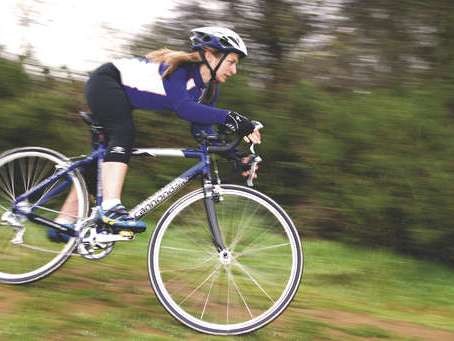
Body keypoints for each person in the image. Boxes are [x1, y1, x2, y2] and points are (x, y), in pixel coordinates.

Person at [47, 26, 261, 242]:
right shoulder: (180, 71)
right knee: (124, 134)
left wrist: (236, 156)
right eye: (231, 62)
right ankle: (111, 208)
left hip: (123, 98)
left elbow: (203, 130)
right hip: (106, 81)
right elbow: (183, 108)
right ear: (209, 55)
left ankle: (62, 224)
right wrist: (231, 117)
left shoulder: (209, 89)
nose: (234, 70)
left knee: (100, 166)